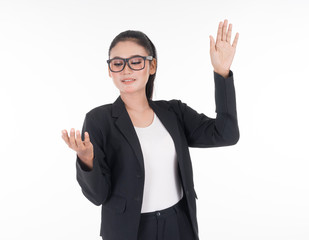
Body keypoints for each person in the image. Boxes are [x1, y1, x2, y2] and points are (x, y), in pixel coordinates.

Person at [61, 19, 240, 240]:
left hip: (178, 223)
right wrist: (87, 160)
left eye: (136, 61)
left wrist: (222, 73)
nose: (126, 70)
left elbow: (226, 134)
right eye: (117, 63)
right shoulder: (99, 120)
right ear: (110, 70)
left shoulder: (174, 112)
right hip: (129, 230)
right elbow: (97, 195)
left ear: (152, 66)